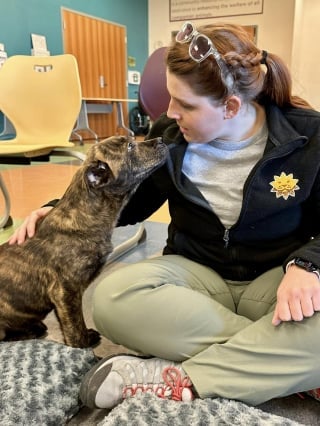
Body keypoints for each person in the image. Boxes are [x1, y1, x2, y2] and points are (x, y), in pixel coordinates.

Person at [10, 21, 320, 408]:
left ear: (231, 106)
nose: (170, 113)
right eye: (171, 99)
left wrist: (309, 266)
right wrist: (57, 210)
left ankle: (176, 377)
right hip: (193, 277)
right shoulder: (171, 136)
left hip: (274, 283)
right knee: (110, 300)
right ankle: (286, 364)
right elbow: (130, 202)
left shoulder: (309, 135)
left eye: (186, 104)